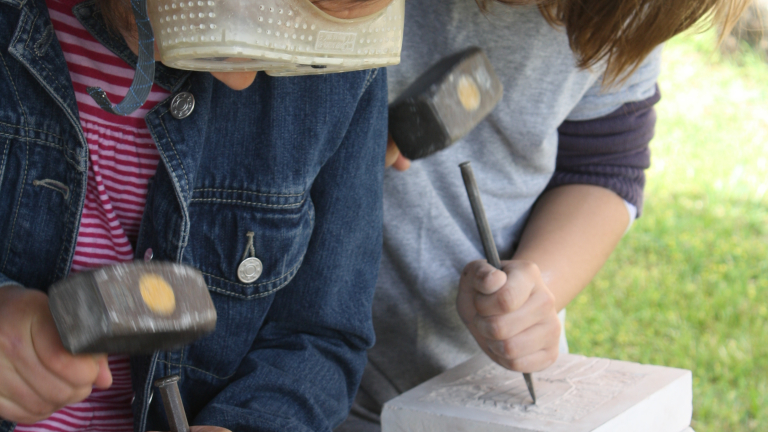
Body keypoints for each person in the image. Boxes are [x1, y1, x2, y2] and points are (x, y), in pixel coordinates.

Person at [339, 0, 750, 430]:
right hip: (303, 376)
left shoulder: (625, 10)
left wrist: (532, 297)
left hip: (479, 395)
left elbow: (602, 166)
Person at [0, 0, 395, 431]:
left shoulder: (347, 63)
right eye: (241, 12)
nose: (241, 79)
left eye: (294, 35)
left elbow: (323, 333)